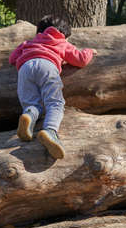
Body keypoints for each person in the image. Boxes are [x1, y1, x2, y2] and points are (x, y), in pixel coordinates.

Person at [9, 15, 97, 159]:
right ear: (64, 35)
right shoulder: (62, 43)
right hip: (47, 66)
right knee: (55, 103)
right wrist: (89, 52)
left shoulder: (29, 42)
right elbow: (81, 60)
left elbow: (12, 58)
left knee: (31, 103)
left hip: (25, 68)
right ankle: (50, 130)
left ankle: (28, 115)